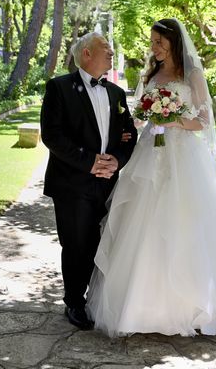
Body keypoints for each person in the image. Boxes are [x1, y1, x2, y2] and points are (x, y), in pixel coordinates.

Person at [86, 19, 216, 337]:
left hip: (183, 157)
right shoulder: (152, 74)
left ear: (173, 42)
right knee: (142, 221)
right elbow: (141, 116)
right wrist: (147, 115)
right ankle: (139, 306)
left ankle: (193, 303)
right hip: (150, 153)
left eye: (159, 42)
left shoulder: (192, 74)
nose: (153, 47)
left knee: (183, 221)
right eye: (152, 41)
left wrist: (173, 120)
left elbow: (204, 120)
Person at [40, 32, 138, 330]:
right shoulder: (59, 88)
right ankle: (74, 302)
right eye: (106, 50)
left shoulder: (116, 93)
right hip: (72, 183)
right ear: (86, 54)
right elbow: (52, 136)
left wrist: (116, 161)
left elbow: (129, 134)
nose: (111, 54)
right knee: (76, 243)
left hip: (108, 183)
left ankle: (95, 298)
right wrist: (90, 162)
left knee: (100, 241)